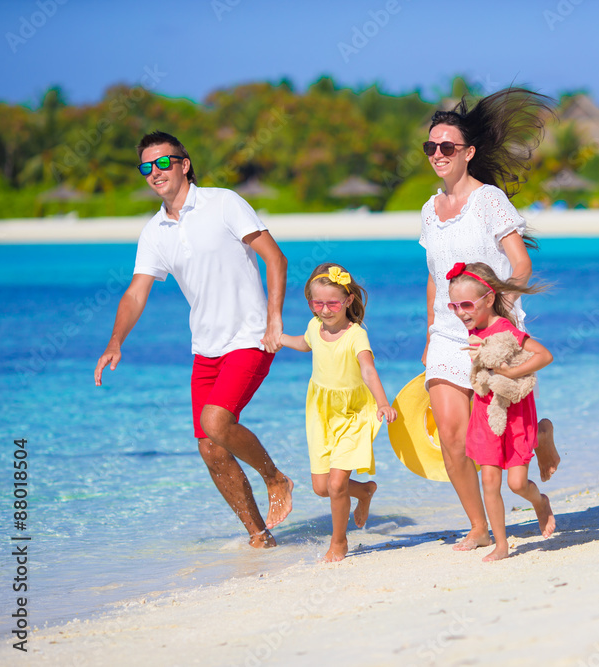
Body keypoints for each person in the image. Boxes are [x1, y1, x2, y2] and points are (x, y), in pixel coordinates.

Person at [94, 131, 293, 549]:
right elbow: (135, 291)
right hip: (206, 348)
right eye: (146, 167)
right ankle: (259, 535)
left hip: (250, 336)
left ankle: (276, 478)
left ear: (184, 164)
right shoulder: (155, 231)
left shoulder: (223, 203)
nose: (155, 173)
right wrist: (115, 341)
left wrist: (274, 320)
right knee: (210, 449)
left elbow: (275, 257)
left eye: (162, 162)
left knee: (216, 422)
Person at [419, 87, 561, 551]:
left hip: (490, 331)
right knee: (452, 438)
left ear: (468, 153)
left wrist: (501, 304)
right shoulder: (428, 210)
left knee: (501, 432)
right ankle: (479, 527)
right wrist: (428, 335)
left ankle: (539, 437)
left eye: (447, 147)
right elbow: (434, 279)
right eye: (431, 147)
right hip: (445, 334)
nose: (438, 154)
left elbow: (520, 262)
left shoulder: (489, 200)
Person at [279, 263, 397, 562]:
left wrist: (383, 403)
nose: (325, 309)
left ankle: (339, 542)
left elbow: (368, 370)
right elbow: (305, 344)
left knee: (335, 484)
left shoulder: (356, 335)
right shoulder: (313, 327)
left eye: (332, 303)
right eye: (318, 303)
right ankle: (365, 491)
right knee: (322, 487)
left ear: (348, 301)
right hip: (321, 413)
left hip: (354, 413)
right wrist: (279, 339)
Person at [447, 262, 555, 561]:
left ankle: (540, 501)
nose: (460, 313)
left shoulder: (506, 330)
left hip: (516, 414)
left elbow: (544, 355)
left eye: (466, 305)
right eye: (454, 306)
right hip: (485, 415)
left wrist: (511, 373)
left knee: (517, 483)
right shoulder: (474, 332)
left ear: (489, 299)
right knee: (489, 481)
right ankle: (501, 545)